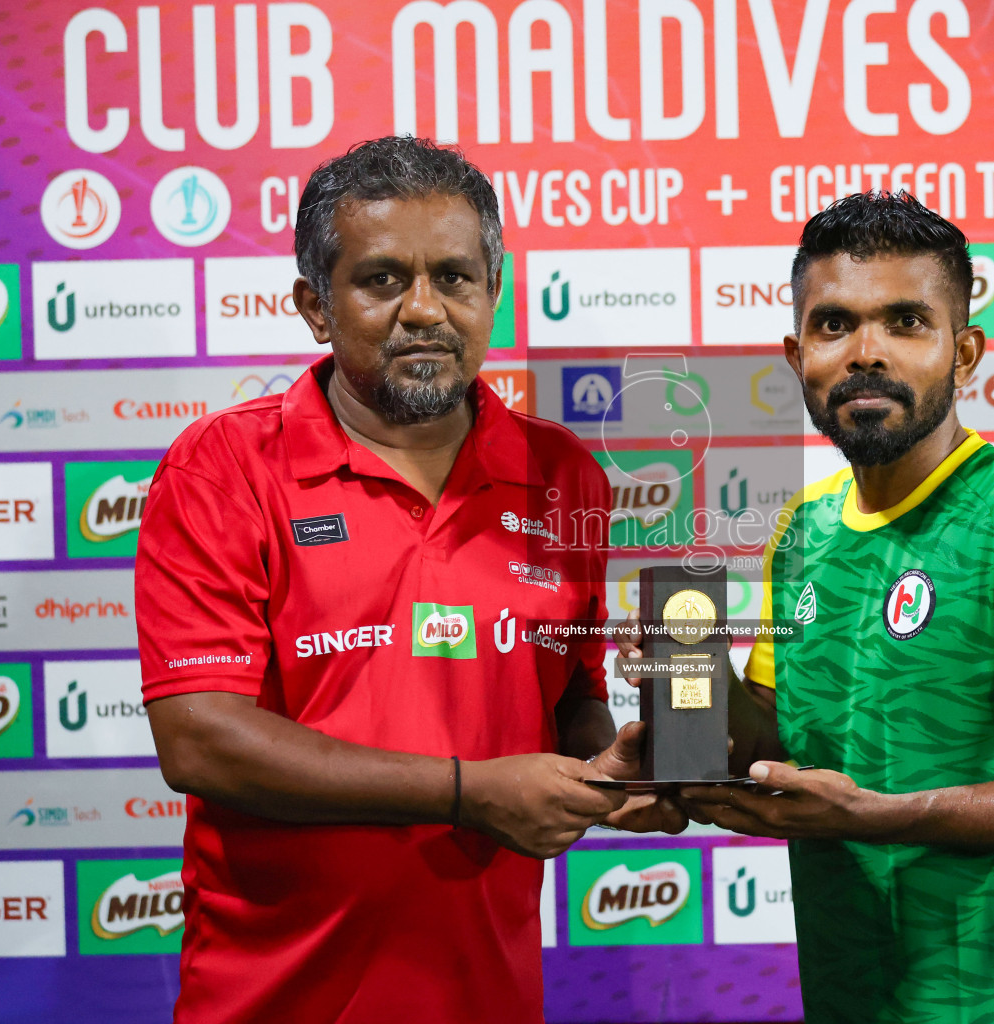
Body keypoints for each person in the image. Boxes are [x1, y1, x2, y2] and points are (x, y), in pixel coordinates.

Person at [135, 136, 679, 1024]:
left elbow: (564, 701)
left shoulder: (565, 474)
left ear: (492, 293)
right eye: (383, 279)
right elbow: (200, 741)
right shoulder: (223, 469)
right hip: (273, 1001)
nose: (424, 309)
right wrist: (468, 794)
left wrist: (616, 770)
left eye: (456, 278)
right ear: (316, 305)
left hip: (488, 995)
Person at [626, 191, 994, 1023]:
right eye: (835, 325)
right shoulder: (802, 531)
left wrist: (880, 818)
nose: (865, 353)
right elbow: (778, 738)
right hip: (854, 996)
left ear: (965, 352)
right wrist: (693, 686)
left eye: (906, 323)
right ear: (796, 352)